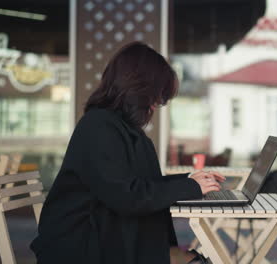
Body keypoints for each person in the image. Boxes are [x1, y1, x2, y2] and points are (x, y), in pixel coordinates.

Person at [30, 42, 225, 264]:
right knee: (194, 261)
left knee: (193, 260)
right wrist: (188, 187)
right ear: (136, 89)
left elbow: (142, 184)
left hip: (108, 235)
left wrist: (190, 180)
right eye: (155, 97)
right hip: (82, 246)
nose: (154, 106)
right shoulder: (98, 128)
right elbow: (127, 196)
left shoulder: (119, 128)